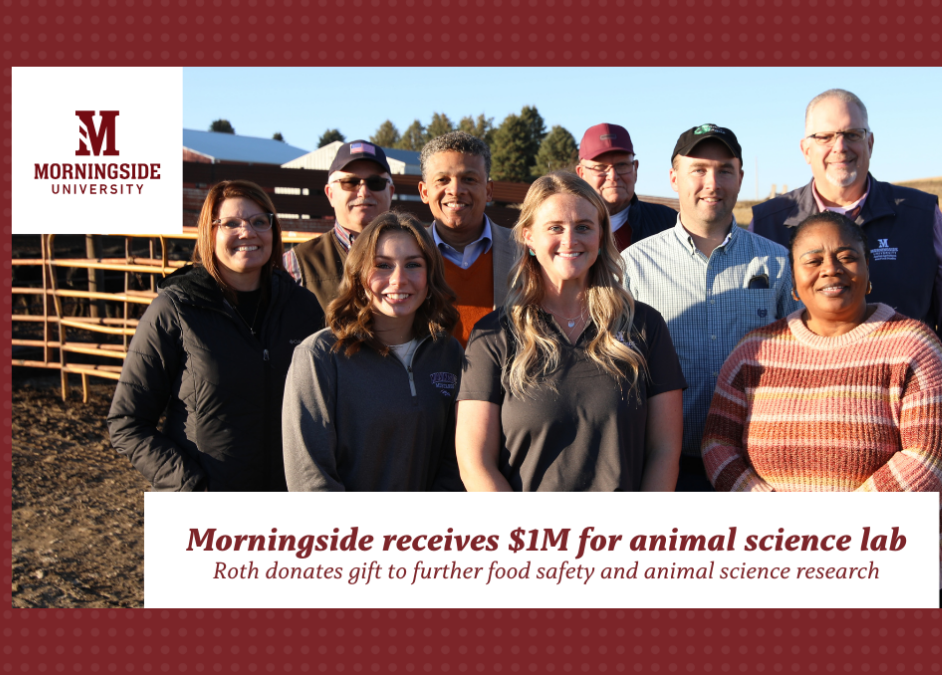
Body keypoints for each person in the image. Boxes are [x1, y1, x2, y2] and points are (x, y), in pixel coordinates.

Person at [702, 211, 942, 608]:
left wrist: (838, 534)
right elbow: (717, 440)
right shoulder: (754, 350)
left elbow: (936, 455)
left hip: (908, 574)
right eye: (813, 260)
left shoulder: (912, 344)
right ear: (794, 284)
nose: (830, 269)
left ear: (868, 272)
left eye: (847, 257)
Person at [749, 88, 942, 457]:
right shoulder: (769, 224)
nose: (839, 146)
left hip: (904, 424)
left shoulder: (919, 216)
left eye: (851, 134)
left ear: (870, 142)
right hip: (799, 425)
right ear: (805, 148)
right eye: (824, 136)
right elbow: (754, 326)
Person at [456, 172, 685, 492]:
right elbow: (474, 460)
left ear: (601, 236)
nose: (570, 240)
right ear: (528, 238)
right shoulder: (493, 336)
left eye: (583, 227)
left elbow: (664, 451)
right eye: (554, 228)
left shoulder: (644, 326)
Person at [107, 180, 324, 491]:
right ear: (210, 233)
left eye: (259, 222)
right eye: (231, 223)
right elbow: (127, 422)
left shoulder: (304, 308)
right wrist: (190, 486)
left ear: (273, 231)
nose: (247, 232)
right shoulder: (175, 309)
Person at [620, 124, 801, 492]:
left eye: (724, 171)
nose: (712, 182)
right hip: (665, 472)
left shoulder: (778, 263)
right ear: (674, 178)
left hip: (757, 474)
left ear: (740, 179)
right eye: (698, 170)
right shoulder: (633, 266)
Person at [282, 212, 464, 491]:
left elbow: (456, 461)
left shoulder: (447, 352)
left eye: (413, 264)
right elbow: (310, 478)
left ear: (430, 276)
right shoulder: (319, 356)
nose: (398, 279)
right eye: (383, 265)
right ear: (358, 276)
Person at [418, 131, 517, 347]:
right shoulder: (407, 253)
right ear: (424, 192)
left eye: (469, 179)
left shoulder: (524, 251)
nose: (455, 190)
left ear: (488, 191)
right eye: (442, 180)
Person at [283, 141, 396, 311]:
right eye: (350, 182)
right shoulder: (297, 263)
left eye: (376, 182)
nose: (364, 191)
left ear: (391, 192)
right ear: (330, 194)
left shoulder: (419, 254)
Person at [574, 123, 677, 251]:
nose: (613, 175)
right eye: (600, 167)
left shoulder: (668, 222)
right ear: (581, 174)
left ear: (635, 169)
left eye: (622, 165)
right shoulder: (565, 228)